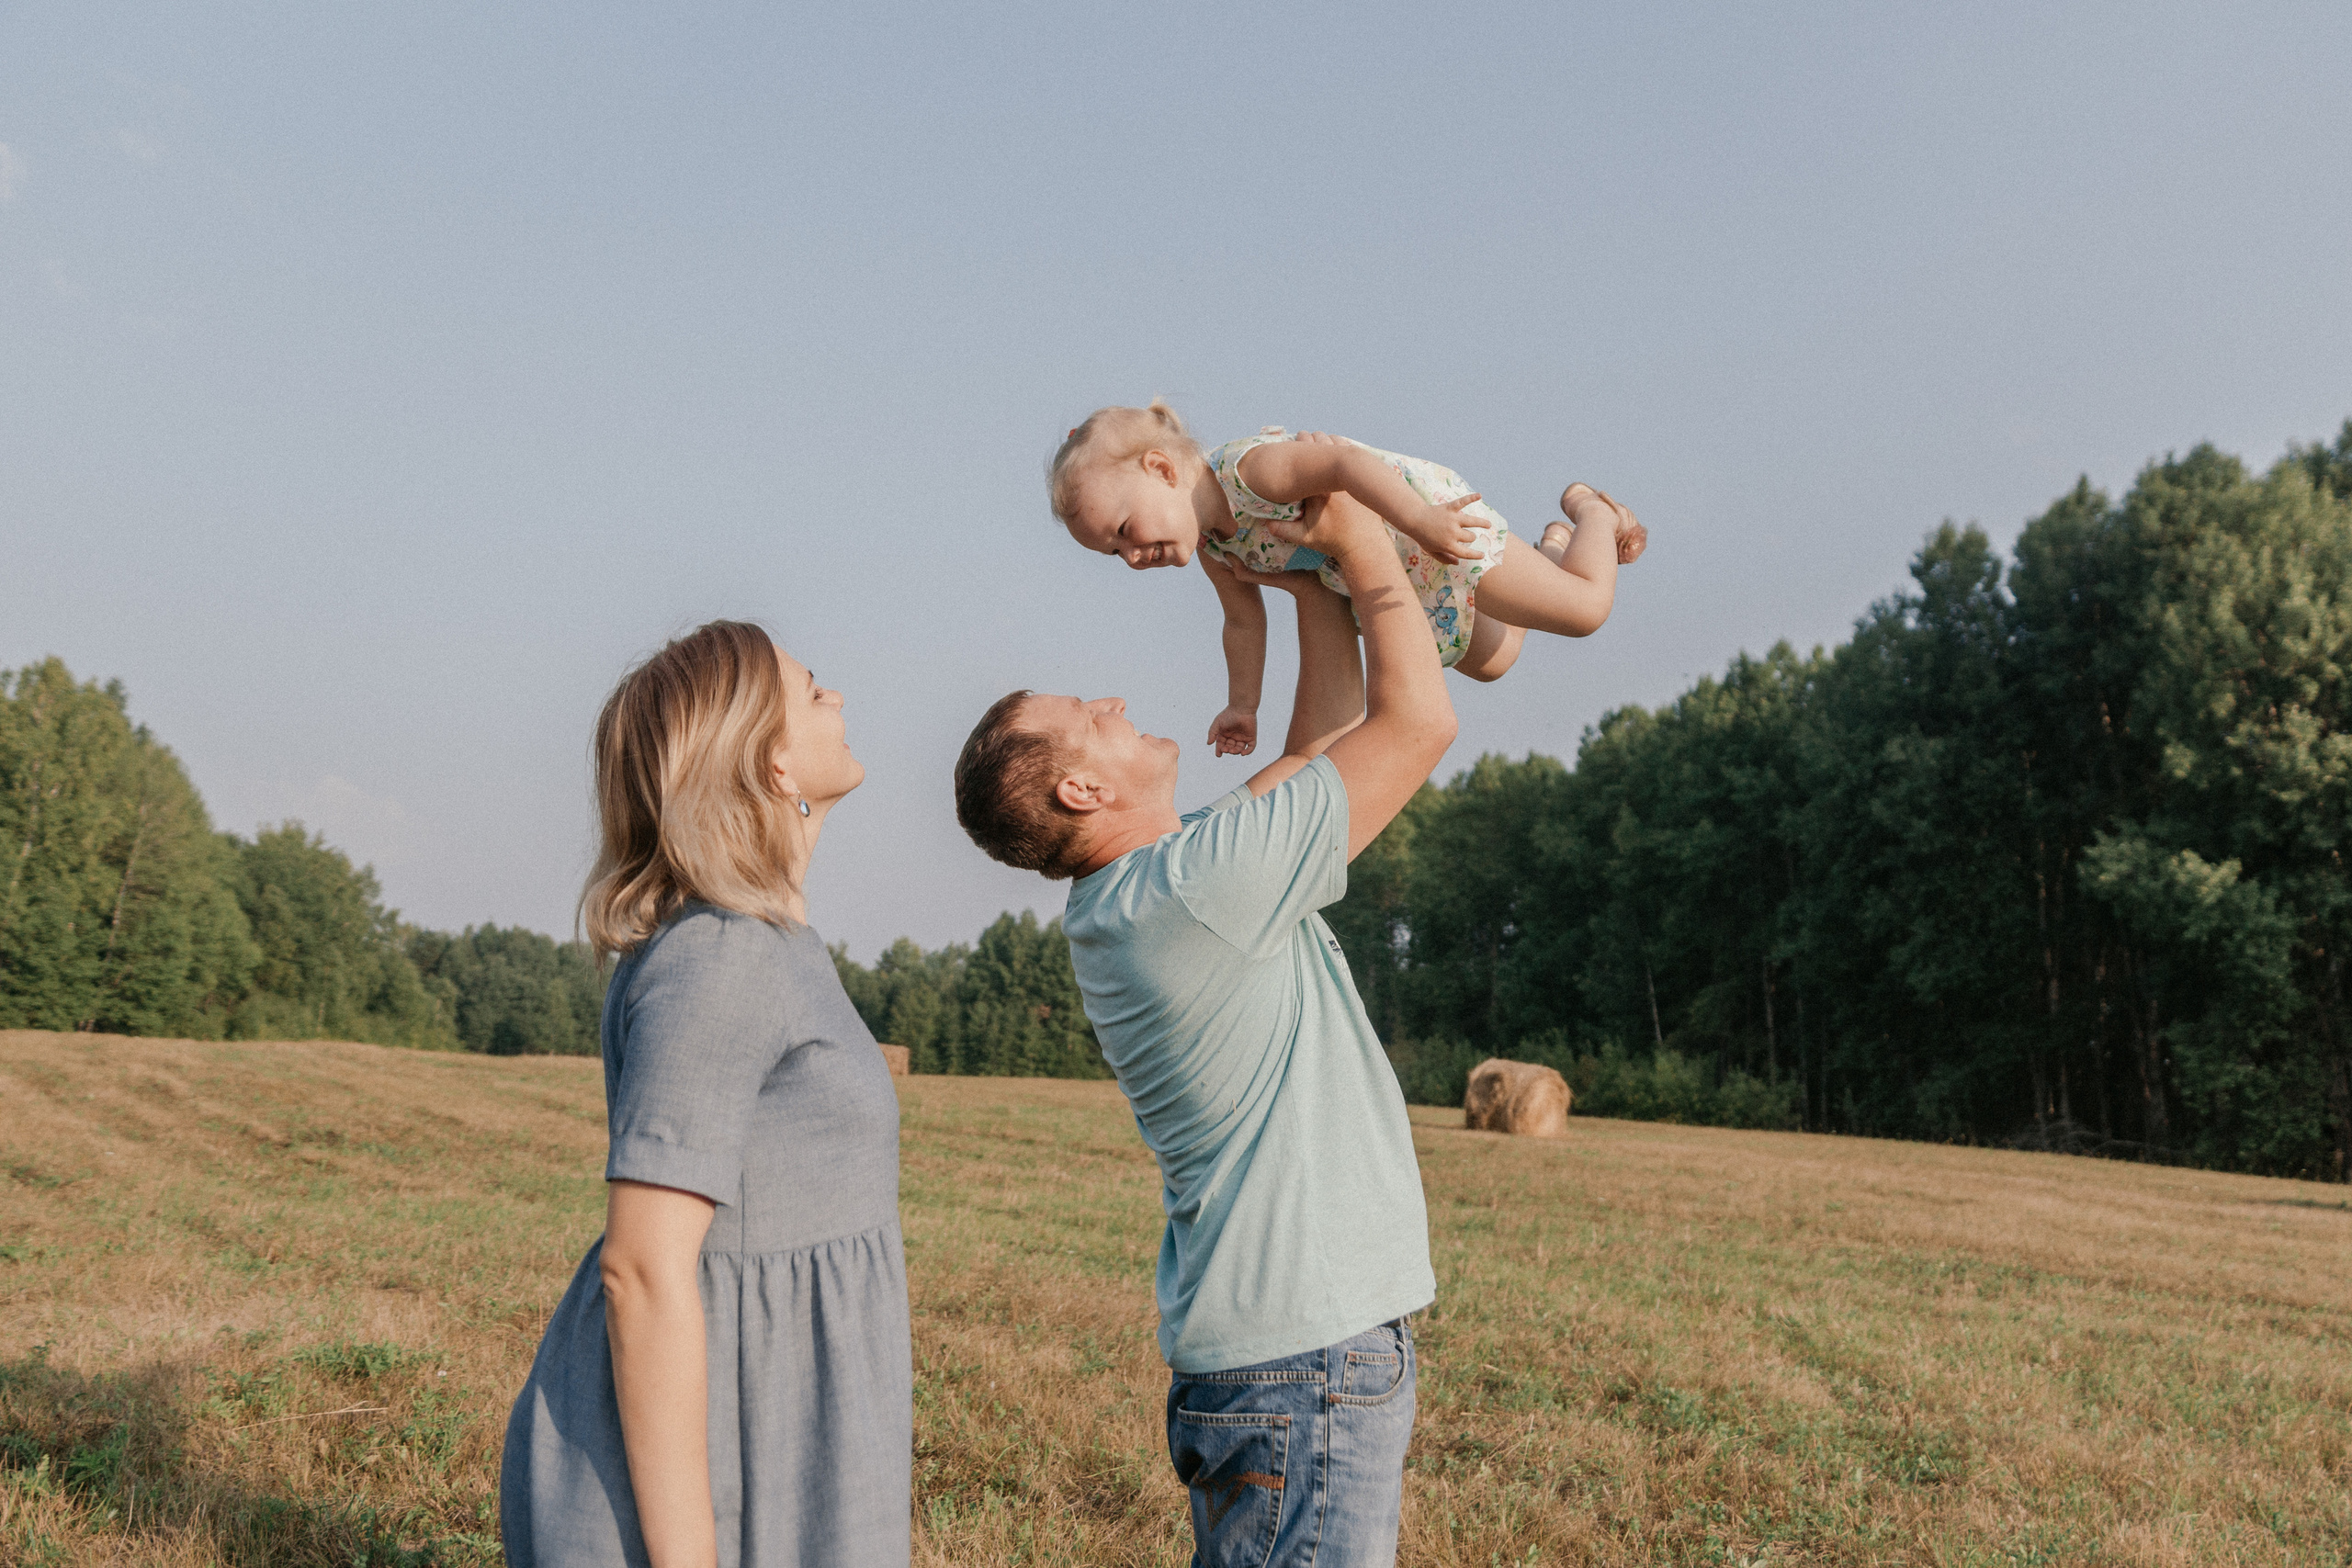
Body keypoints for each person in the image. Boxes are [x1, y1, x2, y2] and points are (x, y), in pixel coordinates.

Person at [952, 491, 1455, 1566]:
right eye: (1091, 713)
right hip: (1304, 1356)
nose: (1116, 697)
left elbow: (1323, 743)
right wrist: (1363, 544)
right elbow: (1415, 726)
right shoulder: (1191, 891)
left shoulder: (1153, 894)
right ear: (1084, 786)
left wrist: (1309, 576)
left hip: (1273, 1359)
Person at [502, 619, 911, 1568]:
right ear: (771, 764)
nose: (838, 698)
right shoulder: (721, 961)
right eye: (812, 692)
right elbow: (641, 1271)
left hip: (781, 1405)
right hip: (724, 1447)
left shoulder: (763, 943)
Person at [1048, 400, 1648, 755]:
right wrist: (1243, 703)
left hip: (1420, 529)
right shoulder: (1214, 547)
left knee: (1584, 609)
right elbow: (1241, 620)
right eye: (1112, 553)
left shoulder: (1251, 472)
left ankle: (1591, 509)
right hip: (1390, 580)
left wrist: (1423, 520)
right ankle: (1552, 548)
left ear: (1160, 468)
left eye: (1124, 529)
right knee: (1496, 658)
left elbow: (1342, 462)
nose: (1130, 556)